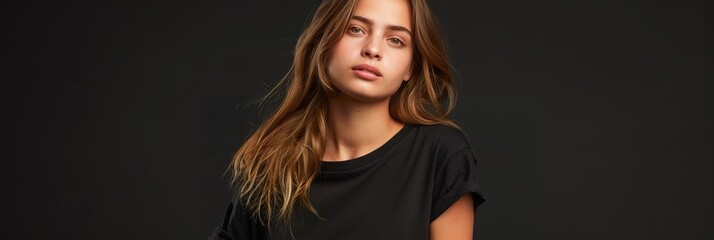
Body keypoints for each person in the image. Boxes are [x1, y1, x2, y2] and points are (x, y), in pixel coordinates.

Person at [209, 0, 485, 239]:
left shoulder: (440, 153)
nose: (373, 49)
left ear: (410, 68)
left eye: (396, 40)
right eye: (356, 29)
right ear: (324, 41)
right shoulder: (272, 162)